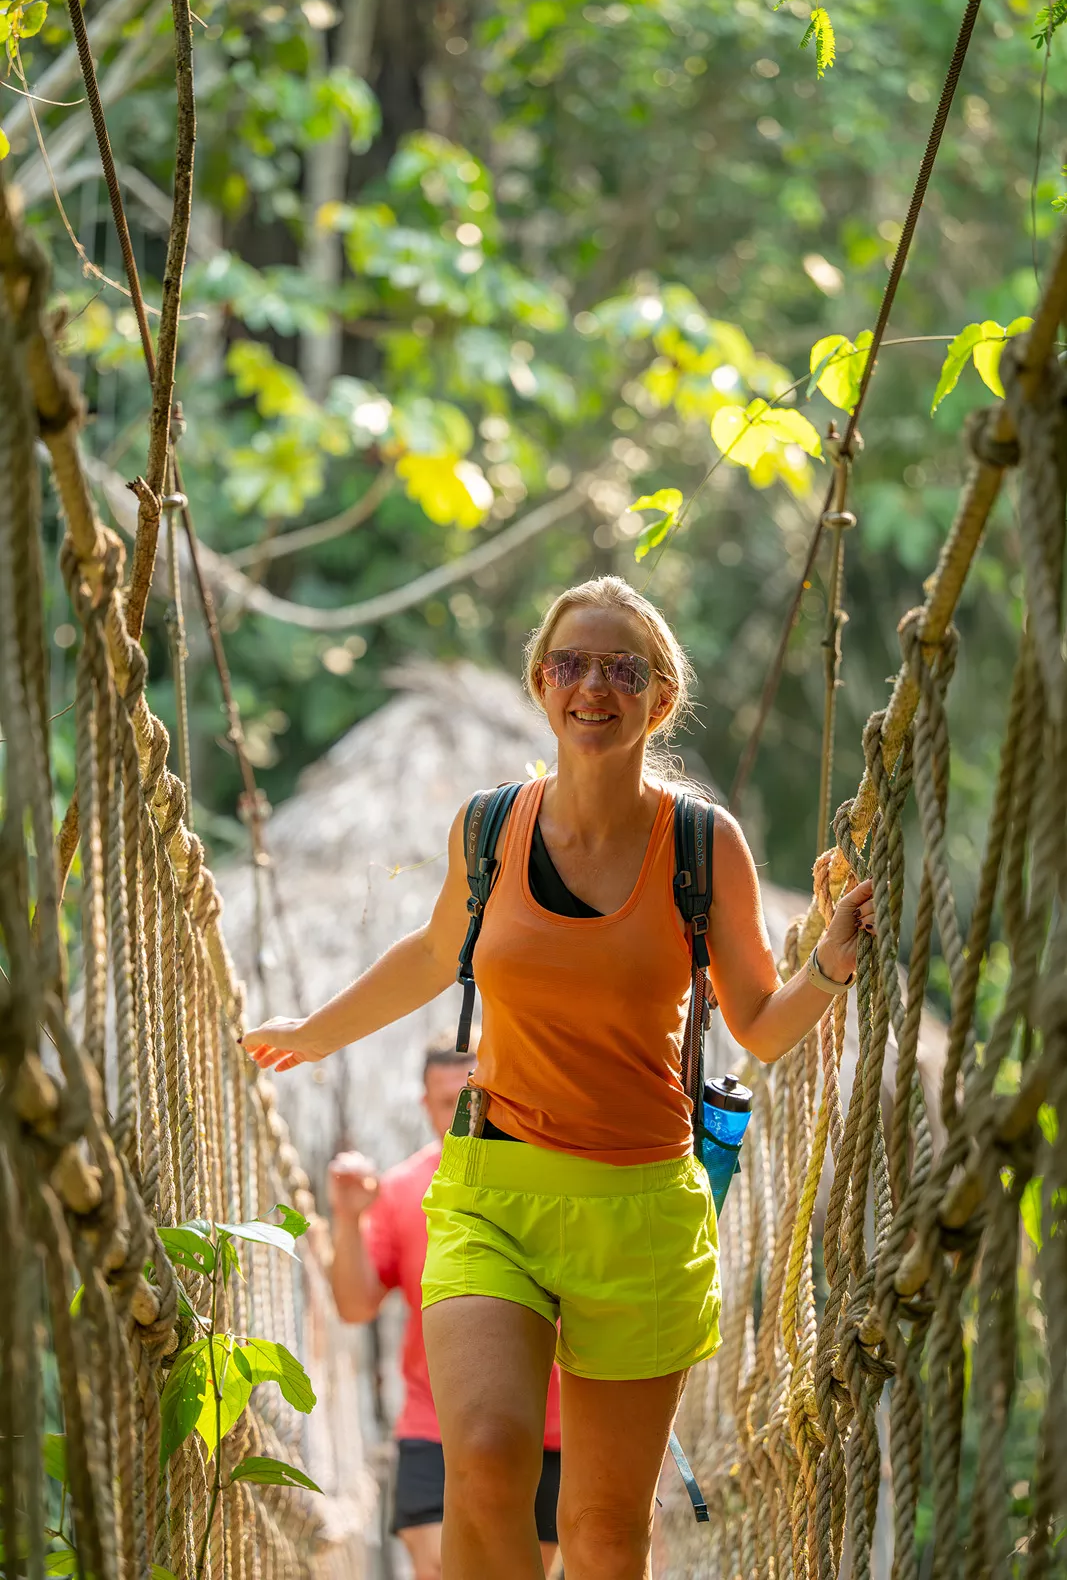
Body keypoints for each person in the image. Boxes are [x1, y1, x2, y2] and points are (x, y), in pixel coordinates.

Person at [243, 574, 874, 1580]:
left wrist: (830, 963)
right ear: (540, 684)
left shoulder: (703, 847)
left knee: (602, 1531)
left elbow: (756, 1023)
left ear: (658, 699)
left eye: (622, 669)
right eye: (570, 664)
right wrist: (315, 1032)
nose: (594, 686)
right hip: (494, 1189)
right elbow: (430, 951)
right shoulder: (487, 827)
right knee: (485, 1461)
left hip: (638, 1210)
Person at [327, 1038, 562, 1580]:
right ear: (425, 1105)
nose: (462, 1112)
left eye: (473, 1096)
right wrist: (347, 1219)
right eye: (445, 1101)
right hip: (433, 1424)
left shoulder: (550, 1180)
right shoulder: (401, 1188)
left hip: (547, 1428)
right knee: (441, 1568)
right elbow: (355, 1305)